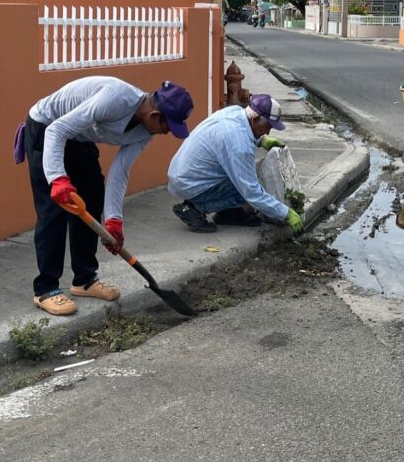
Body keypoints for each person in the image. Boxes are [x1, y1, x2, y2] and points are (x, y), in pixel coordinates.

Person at [23, 76, 193, 316]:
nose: (166, 133)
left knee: (92, 195)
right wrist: (57, 178)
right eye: (168, 127)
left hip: (78, 136)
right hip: (47, 126)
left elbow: (120, 171)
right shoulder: (115, 98)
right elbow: (57, 130)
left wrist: (114, 220)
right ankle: (46, 288)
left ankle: (84, 280)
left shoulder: (145, 131)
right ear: (155, 115)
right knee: (54, 210)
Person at [168, 94, 304, 235]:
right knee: (248, 187)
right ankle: (192, 208)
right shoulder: (239, 145)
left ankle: (227, 214)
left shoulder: (235, 111)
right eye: (268, 127)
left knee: (241, 175)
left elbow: (242, 131)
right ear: (255, 119)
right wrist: (286, 213)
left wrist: (261, 140)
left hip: (182, 172)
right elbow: (252, 192)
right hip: (188, 182)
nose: (268, 131)